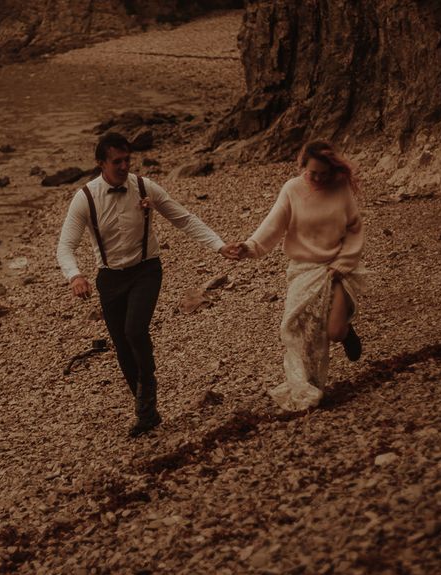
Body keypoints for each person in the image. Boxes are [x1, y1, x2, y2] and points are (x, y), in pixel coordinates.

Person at [57, 132, 239, 436]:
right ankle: (147, 411)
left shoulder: (144, 187)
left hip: (146, 270)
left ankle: (147, 388)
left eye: (128, 159)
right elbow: (65, 245)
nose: (125, 166)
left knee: (135, 330)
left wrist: (219, 245)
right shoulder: (84, 198)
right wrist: (75, 275)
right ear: (101, 163)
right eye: (117, 161)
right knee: (122, 348)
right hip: (110, 278)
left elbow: (184, 218)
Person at [226, 140, 366, 411]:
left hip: (335, 269)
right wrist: (249, 247)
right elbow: (273, 225)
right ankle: (306, 385)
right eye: (313, 173)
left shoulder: (340, 188)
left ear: (332, 170)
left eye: (323, 174)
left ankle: (348, 331)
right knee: (295, 329)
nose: (317, 178)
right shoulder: (292, 189)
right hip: (302, 269)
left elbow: (355, 229)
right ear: (303, 166)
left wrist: (344, 262)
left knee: (334, 332)